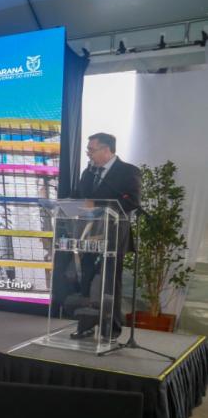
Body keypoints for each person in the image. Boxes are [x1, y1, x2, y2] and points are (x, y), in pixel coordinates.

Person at [70, 132, 141, 341]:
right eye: (88, 150)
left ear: (107, 150)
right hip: (88, 234)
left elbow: (132, 202)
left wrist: (98, 205)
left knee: (110, 283)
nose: (89, 154)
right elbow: (80, 198)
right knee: (86, 281)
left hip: (114, 235)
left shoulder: (129, 172)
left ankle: (111, 330)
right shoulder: (88, 173)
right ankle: (85, 325)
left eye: (92, 150)